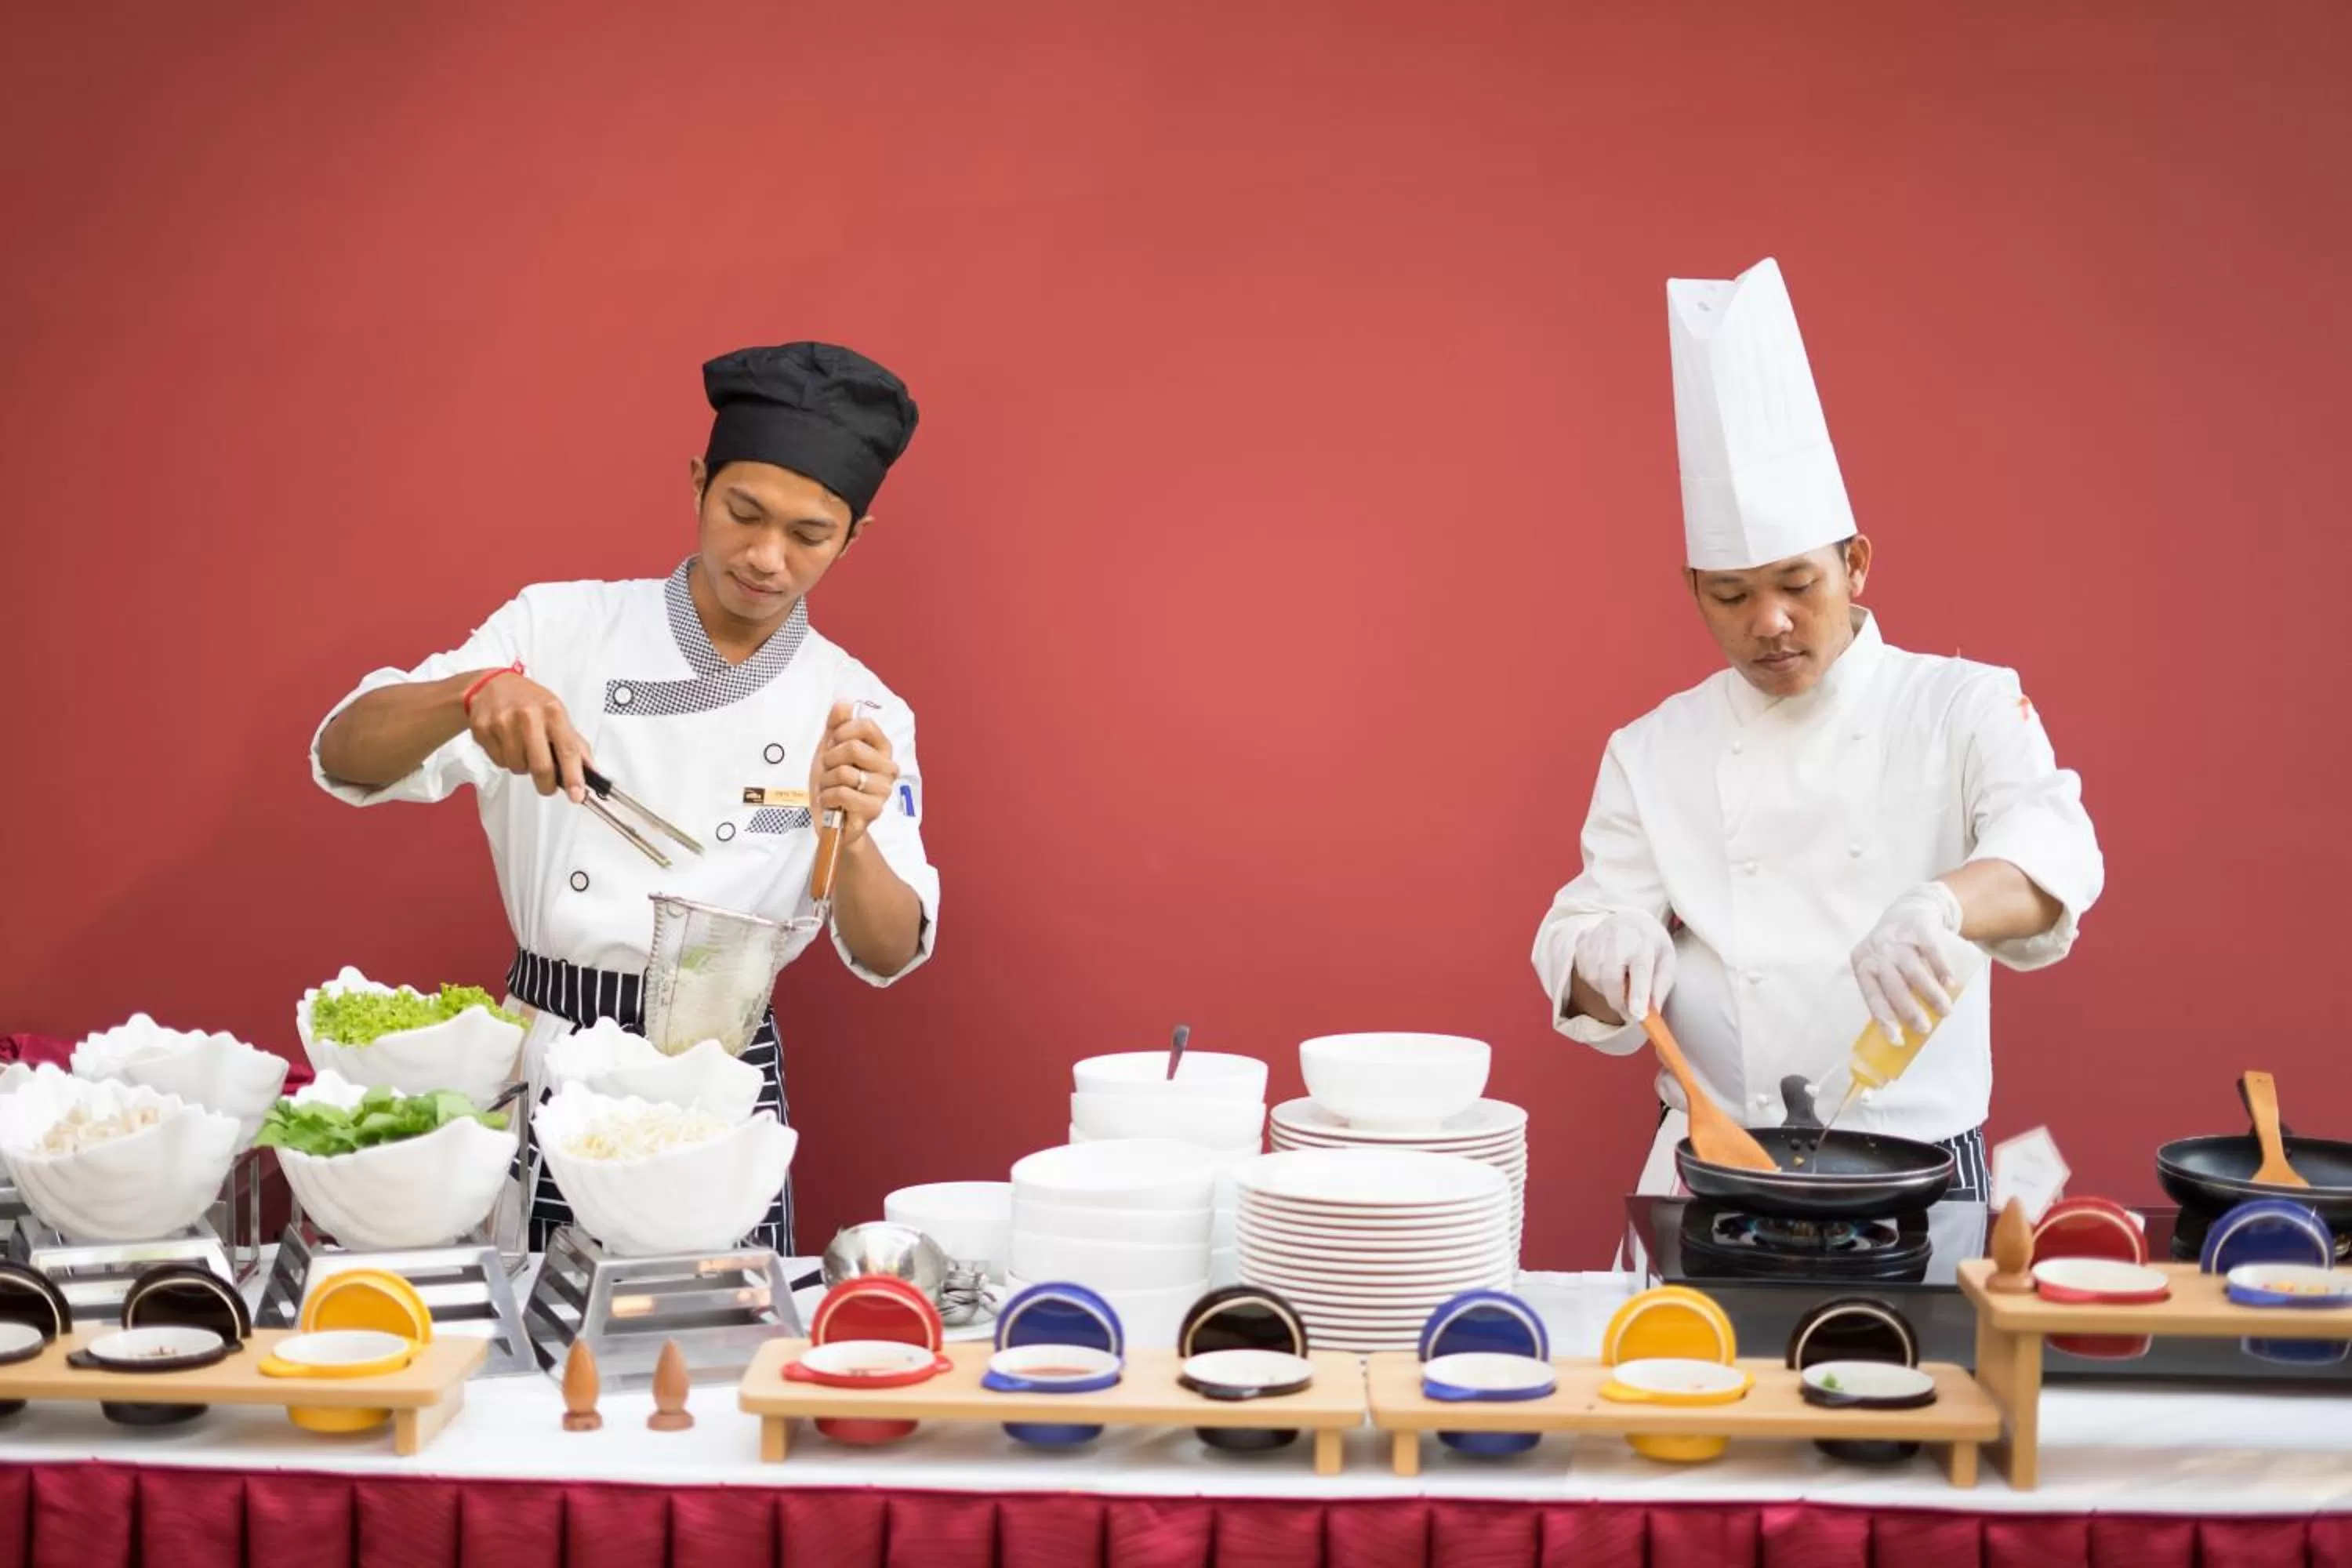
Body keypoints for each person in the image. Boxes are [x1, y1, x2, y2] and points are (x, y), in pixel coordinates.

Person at [311, 342, 939, 1252]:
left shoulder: (862, 709)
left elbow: (887, 949)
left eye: (809, 534)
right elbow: (346, 752)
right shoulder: (558, 627)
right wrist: (473, 691)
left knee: (714, 1364)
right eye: (743, 512)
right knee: (541, 1354)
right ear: (697, 485)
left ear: (853, 537)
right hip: (552, 1048)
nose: (766, 557)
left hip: (720, 1073)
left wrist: (856, 830)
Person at [1531, 260, 2103, 1203]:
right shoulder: (1654, 747)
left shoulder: (1961, 705)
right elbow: (1583, 944)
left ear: (1856, 564)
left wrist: (1943, 905)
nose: (1770, 622)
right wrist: (1602, 953)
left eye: (1798, 584)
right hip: (1713, 1166)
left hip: (1921, 1169)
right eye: (1731, 594)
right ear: (1694, 592)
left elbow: (2053, 854)